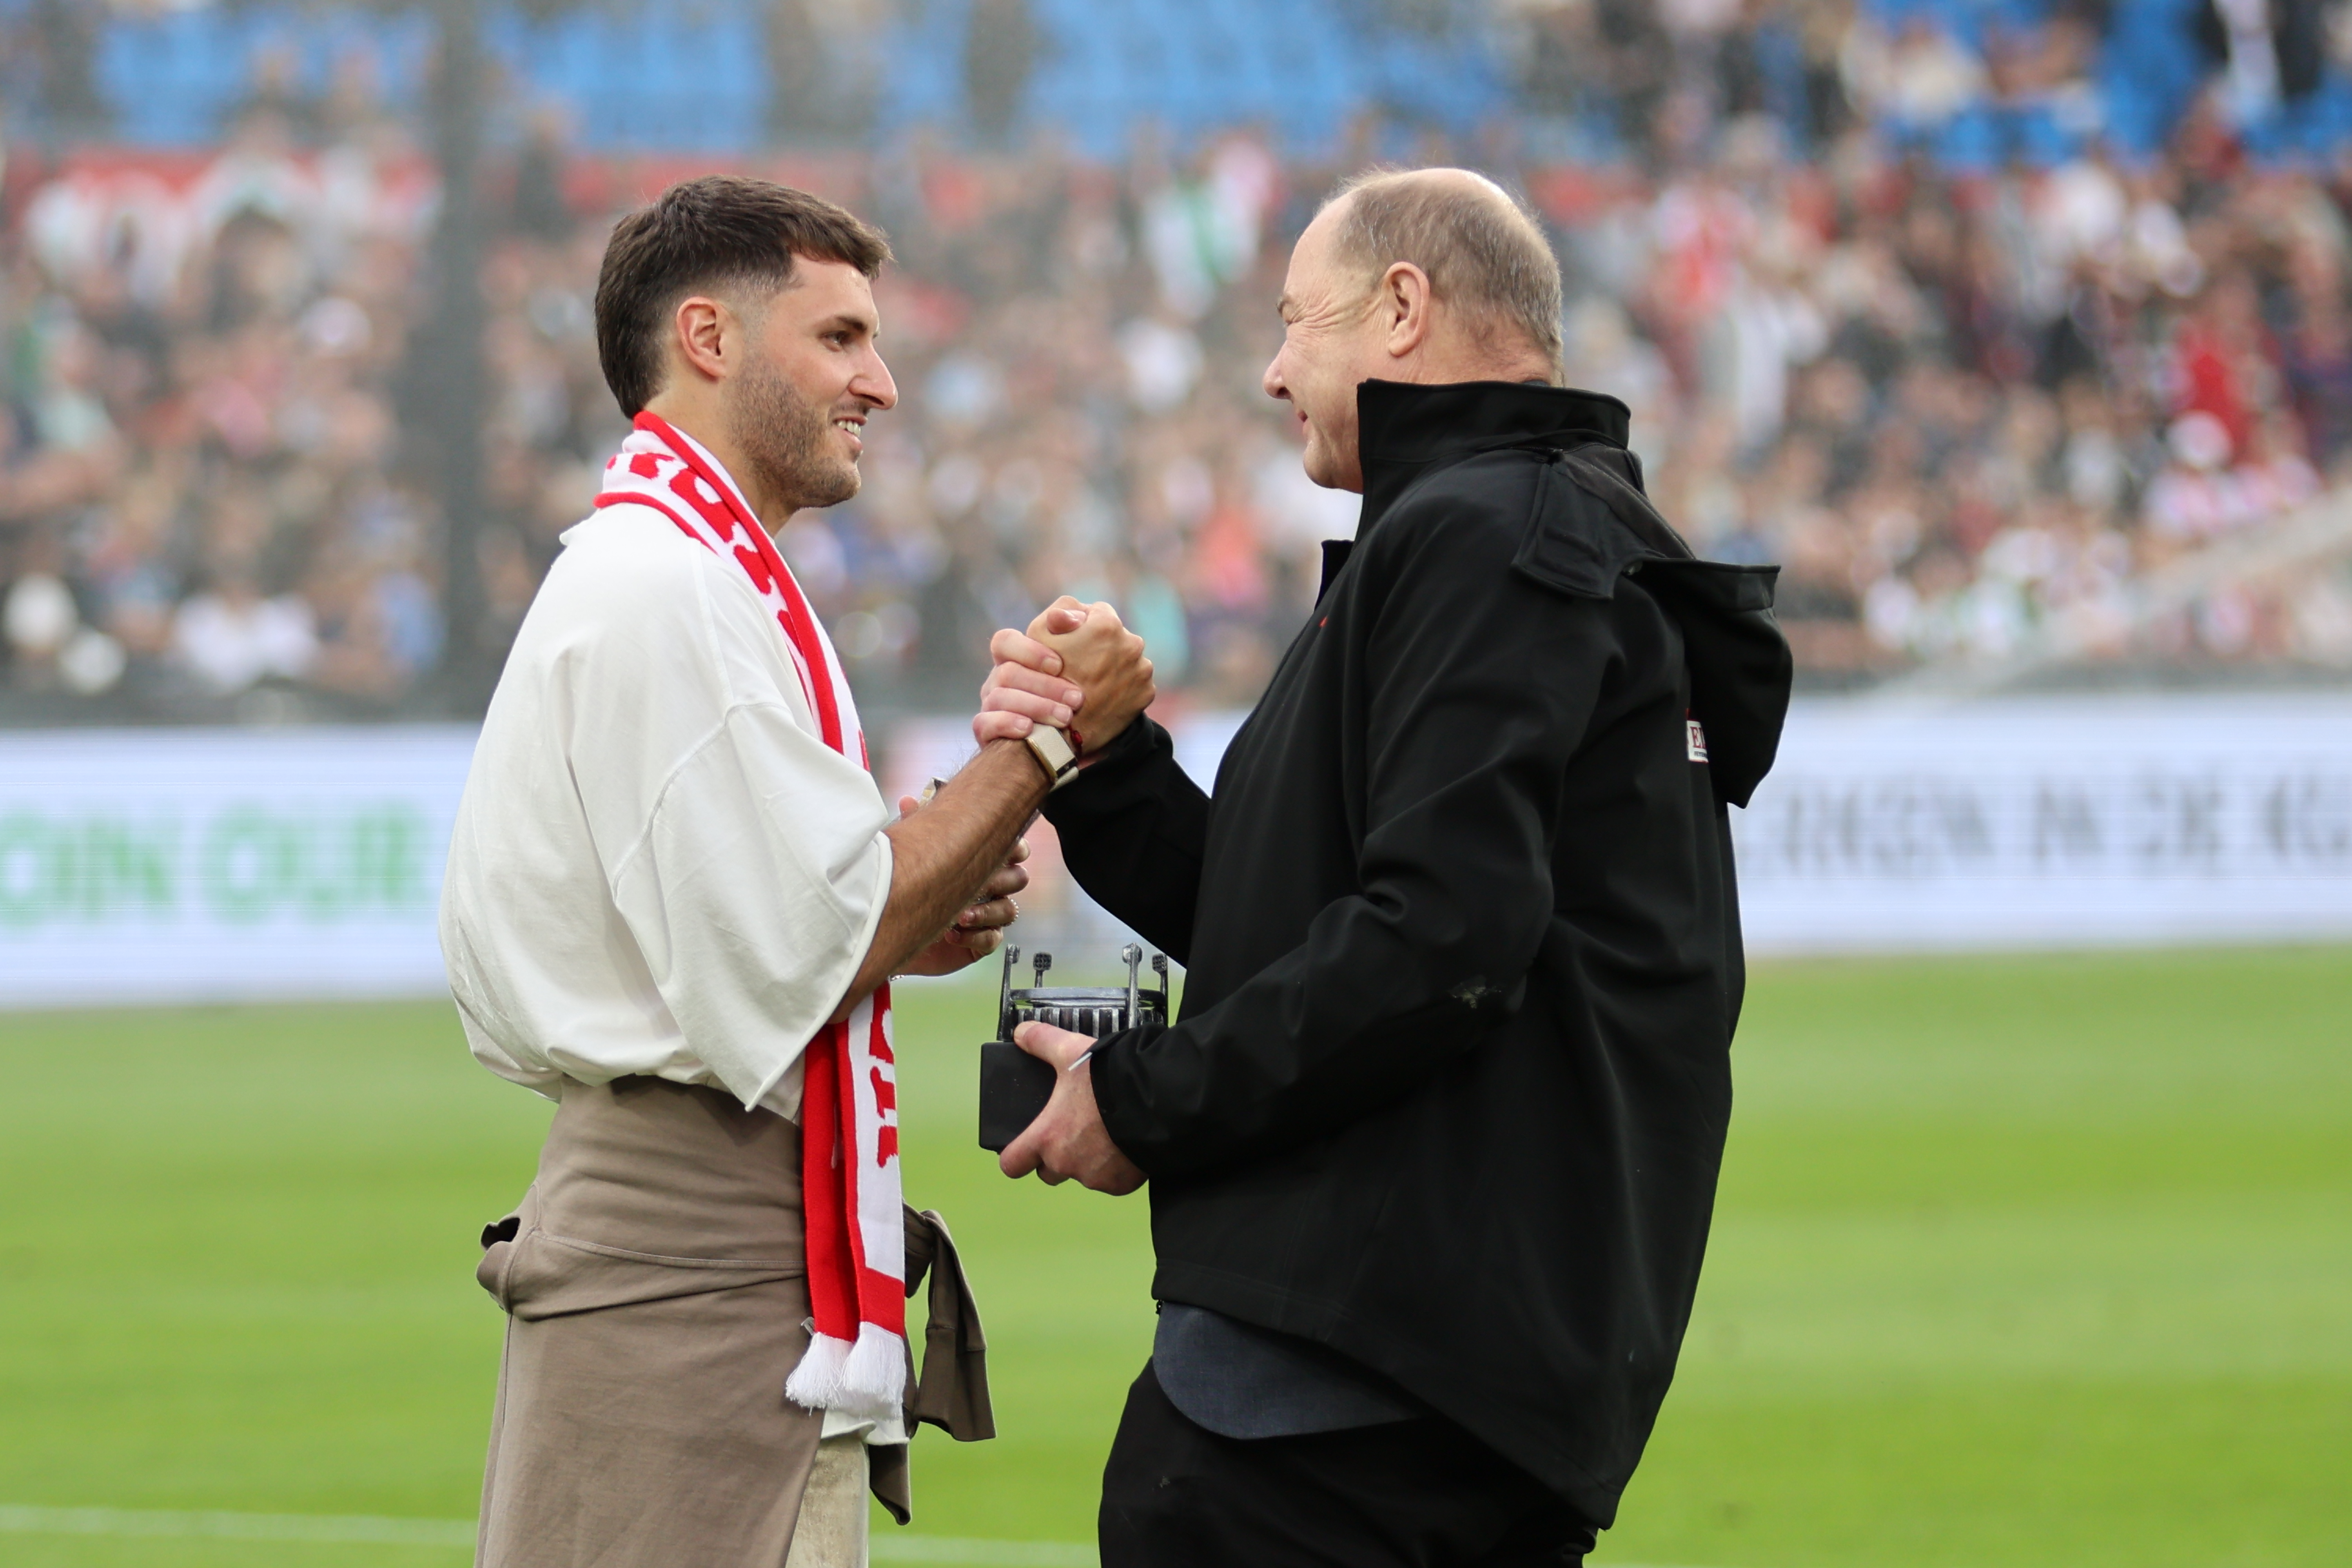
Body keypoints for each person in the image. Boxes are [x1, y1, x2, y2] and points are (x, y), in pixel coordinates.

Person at [975, 167, 1794, 1566]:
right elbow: (1305, 916)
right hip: (1425, 1379)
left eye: (1298, 321)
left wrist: (1142, 1099)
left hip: (1342, 1398)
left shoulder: (1482, 532)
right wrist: (1112, 765)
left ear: (1403, 309)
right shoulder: (1535, 527)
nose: (1273, 369)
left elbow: (1440, 942)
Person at [439, 175, 1154, 1568]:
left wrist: (900, 905)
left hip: (699, 1265)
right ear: (708, 339)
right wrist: (1045, 739)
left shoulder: (681, 566)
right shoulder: (670, 584)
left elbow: (785, 930)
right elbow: (803, 944)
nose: (880, 382)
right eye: (839, 338)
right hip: (691, 1280)